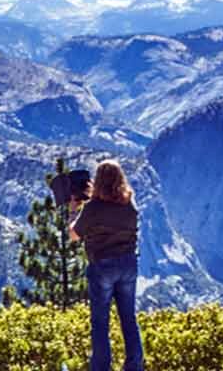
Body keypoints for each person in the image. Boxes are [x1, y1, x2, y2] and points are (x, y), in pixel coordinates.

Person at [70, 159, 145, 371]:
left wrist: (74, 210)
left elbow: (74, 235)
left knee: (101, 322)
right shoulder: (130, 203)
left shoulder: (93, 208)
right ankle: (135, 366)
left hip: (103, 266)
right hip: (129, 263)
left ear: (99, 181)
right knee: (128, 318)